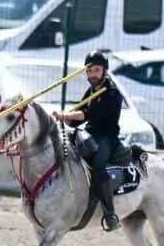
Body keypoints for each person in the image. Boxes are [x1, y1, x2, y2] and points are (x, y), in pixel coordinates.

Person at [53, 51, 123, 232]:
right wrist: (66, 119)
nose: (92, 74)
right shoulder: (91, 91)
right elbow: (79, 117)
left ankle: (110, 213)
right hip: (89, 133)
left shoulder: (112, 93)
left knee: (98, 164)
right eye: (89, 70)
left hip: (107, 138)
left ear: (105, 71)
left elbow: (89, 114)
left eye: (96, 70)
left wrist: (68, 115)